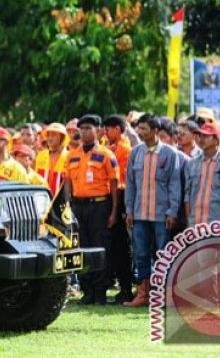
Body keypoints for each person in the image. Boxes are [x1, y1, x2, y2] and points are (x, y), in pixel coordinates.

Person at [123, 114, 181, 307]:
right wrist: (129, 210)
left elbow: (174, 184)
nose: (140, 132)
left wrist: (172, 211)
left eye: (144, 129)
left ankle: (163, 295)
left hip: (161, 215)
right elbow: (130, 184)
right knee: (140, 254)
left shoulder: (170, 154)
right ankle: (143, 295)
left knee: (163, 254)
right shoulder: (135, 153)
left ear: (156, 131)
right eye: (138, 128)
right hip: (139, 214)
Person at [64, 115, 119, 305]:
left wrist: (113, 212)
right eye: (81, 128)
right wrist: (68, 207)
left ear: (99, 130)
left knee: (100, 248)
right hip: (79, 207)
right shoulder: (72, 155)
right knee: (82, 248)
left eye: (88, 128)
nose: (84, 132)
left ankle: (100, 292)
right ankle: (87, 291)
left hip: (100, 206)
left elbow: (114, 185)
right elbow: (67, 183)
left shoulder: (106, 155)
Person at [184, 122, 220, 225]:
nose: (201, 139)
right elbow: (187, 196)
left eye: (206, 136)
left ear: (216, 139)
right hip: (196, 224)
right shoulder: (191, 163)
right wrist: (189, 222)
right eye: (200, 136)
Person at [103, 114, 134, 305]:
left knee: (122, 247)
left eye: (108, 128)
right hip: (111, 197)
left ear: (117, 129)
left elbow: (121, 179)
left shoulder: (124, 149)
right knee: (114, 247)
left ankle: (125, 289)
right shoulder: (110, 148)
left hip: (121, 197)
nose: (105, 132)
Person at [35, 123, 69, 196]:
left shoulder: (69, 157)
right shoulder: (41, 156)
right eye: (48, 135)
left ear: (62, 137)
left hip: (61, 201)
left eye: (53, 135)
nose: (49, 138)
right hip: (42, 199)